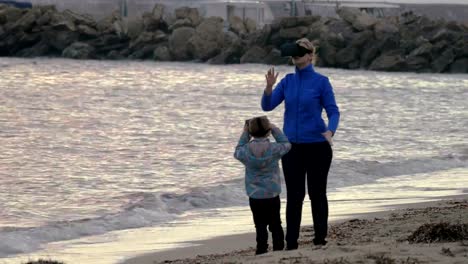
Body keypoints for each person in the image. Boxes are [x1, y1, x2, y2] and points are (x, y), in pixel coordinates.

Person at [261, 38, 340, 249]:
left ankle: (320, 238)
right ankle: (291, 242)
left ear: (310, 55)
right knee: (295, 196)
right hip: (292, 148)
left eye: (300, 52)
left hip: (317, 146)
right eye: (294, 53)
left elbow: (333, 110)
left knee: (317, 194)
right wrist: (269, 88)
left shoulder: (321, 82)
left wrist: (331, 130)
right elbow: (268, 106)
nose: (296, 56)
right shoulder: (287, 81)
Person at [234, 116, 291, 255]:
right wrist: (274, 128)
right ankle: (278, 247)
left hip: (255, 195)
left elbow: (237, 150)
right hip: (272, 193)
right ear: (268, 131)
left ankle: (261, 249)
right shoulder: (275, 148)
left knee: (259, 224)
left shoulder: (245, 151)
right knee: (275, 223)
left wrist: (245, 132)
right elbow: (286, 143)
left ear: (250, 133)